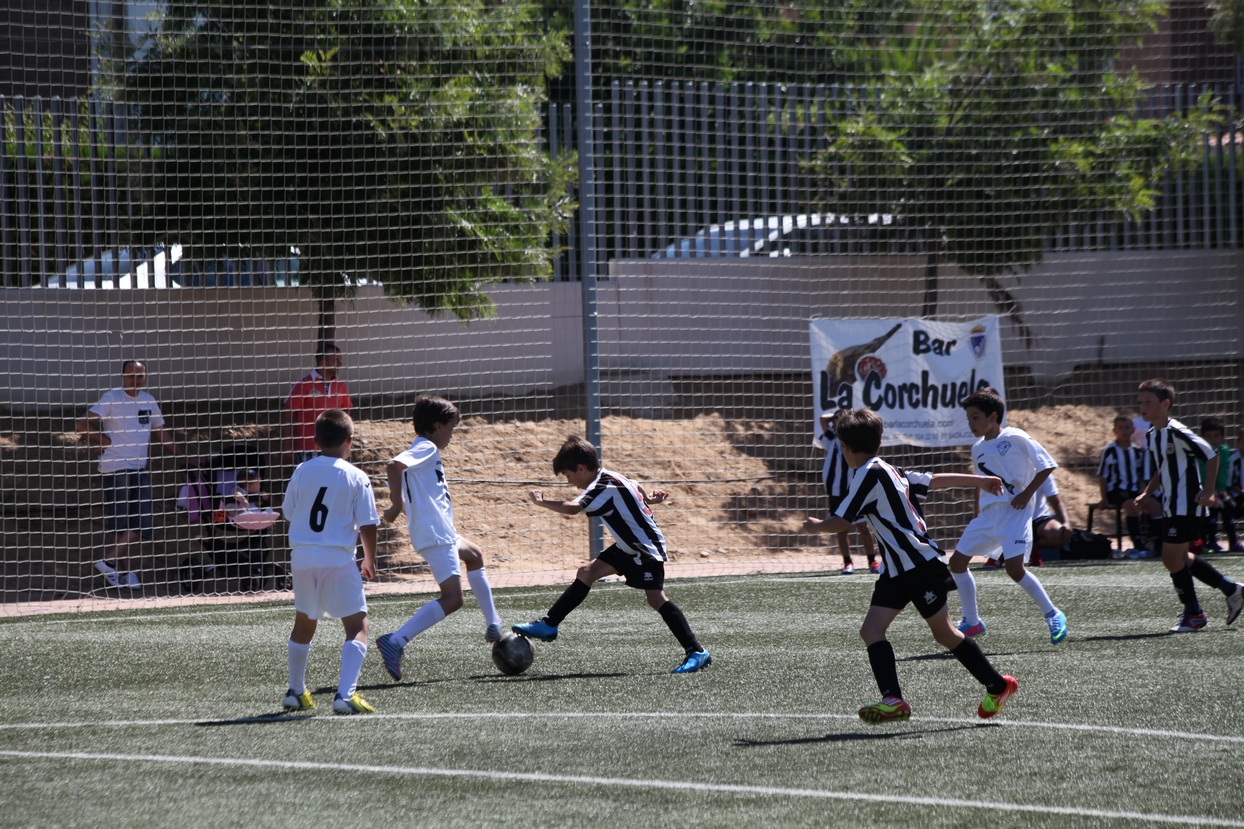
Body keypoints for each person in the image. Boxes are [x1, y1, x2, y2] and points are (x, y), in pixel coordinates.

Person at [801, 408, 1018, 724]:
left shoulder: (868, 474)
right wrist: (980, 480)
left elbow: (841, 521)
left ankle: (998, 685)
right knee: (871, 630)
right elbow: (933, 480)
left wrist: (814, 526)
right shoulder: (890, 470)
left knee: (944, 633)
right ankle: (893, 699)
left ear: (844, 447)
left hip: (918, 565)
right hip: (896, 569)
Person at [513, 435, 712, 674]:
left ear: (581, 468)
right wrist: (648, 498)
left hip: (644, 548)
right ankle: (549, 624)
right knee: (587, 572)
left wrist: (542, 502)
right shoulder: (612, 476)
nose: (570, 482)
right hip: (627, 546)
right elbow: (635, 484)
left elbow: (573, 508)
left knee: (656, 598)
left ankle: (697, 651)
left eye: (569, 476)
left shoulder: (602, 487)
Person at [375, 396, 504, 681]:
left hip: (440, 531)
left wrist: (407, 507)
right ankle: (395, 641)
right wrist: (396, 507)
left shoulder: (424, 449)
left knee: (475, 554)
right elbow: (393, 466)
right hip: (436, 533)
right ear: (436, 426)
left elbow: (406, 481)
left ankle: (493, 623)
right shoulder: (425, 446)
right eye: (450, 428)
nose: (451, 435)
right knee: (453, 599)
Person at [948, 388, 1068, 645]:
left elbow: (1047, 465)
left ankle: (1053, 613)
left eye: (975, 417)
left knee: (1014, 570)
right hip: (988, 515)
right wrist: (977, 511)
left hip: (1014, 513)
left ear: (993, 417)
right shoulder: (977, 448)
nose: (971, 423)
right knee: (957, 563)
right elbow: (983, 482)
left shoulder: (1015, 437)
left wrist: (1026, 494)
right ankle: (972, 621)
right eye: (968, 418)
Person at [280, 409, 379, 715]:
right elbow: (368, 523)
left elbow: (288, 512)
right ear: (350, 441)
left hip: (301, 556)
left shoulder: (302, 470)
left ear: (315, 440)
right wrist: (369, 559)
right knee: (357, 626)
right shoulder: (356, 476)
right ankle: (345, 695)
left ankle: (296, 691)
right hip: (336, 557)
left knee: (304, 623)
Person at [1132, 380, 1244, 632]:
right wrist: (1147, 493)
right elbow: (1163, 469)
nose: (1142, 406)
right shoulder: (1153, 434)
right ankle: (1232, 590)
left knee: (1170, 558)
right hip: (1171, 506)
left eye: (1148, 401)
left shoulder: (1178, 432)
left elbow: (1211, 454)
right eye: (1140, 402)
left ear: (1165, 404)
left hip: (1187, 505)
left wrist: (1208, 490)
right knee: (1181, 557)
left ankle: (1194, 614)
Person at [76, 360, 181, 590]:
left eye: (140, 375)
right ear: (122, 376)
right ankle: (124, 572)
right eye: (131, 375)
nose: (135, 379)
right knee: (122, 524)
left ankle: (110, 563)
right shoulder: (112, 398)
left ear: (146, 377)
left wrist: (186, 457)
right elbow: (82, 423)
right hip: (116, 468)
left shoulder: (148, 400)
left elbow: (162, 434)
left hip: (138, 468)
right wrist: (104, 441)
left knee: (142, 521)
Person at [818, 409, 878, 574]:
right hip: (836, 491)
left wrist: (848, 417)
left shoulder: (855, 439)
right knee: (841, 528)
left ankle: (872, 561)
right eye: (837, 423)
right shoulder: (831, 438)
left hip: (854, 489)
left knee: (863, 527)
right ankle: (847, 562)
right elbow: (822, 419)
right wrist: (839, 415)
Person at [1097, 415, 1160, 557]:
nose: (1124, 431)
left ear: (1133, 429)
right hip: (1116, 490)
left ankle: (1158, 544)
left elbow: (1142, 477)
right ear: (1114, 431)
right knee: (1131, 505)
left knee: (1155, 506)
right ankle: (1138, 544)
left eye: (1127, 428)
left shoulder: (1139, 451)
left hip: (1133, 489)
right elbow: (1102, 476)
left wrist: (1144, 491)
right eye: (1120, 428)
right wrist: (1104, 498)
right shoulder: (1109, 450)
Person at [282, 343, 352, 465]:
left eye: (340, 360)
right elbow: (287, 412)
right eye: (336, 360)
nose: (340, 364)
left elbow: (346, 412)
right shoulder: (304, 383)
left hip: (334, 449)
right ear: (323, 362)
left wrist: (345, 443)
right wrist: (287, 445)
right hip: (308, 448)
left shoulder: (341, 386)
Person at [1196, 417, 1237, 554]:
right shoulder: (1200, 452)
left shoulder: (1224, 451)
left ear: (1223, 436)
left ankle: (1234, 541)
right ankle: (1210, 541)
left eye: (1216, 436)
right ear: (1202, 438)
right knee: (1210, 508)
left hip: (1218, 489)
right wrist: (1210, 490)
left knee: (1227, 506)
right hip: (1202, 489)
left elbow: (1223, 471)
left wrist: (1221, 490)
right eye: (1209, 436)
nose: (1213, 440)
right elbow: (1202, 472)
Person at [1030, 475, 1072, 559]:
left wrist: (1066, 522)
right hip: (1010, 521)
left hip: (1038, 519)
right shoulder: (1001, 469)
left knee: (1058, 533)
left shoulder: (1042, 471)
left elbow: (1056, 502)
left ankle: (1032, 551)